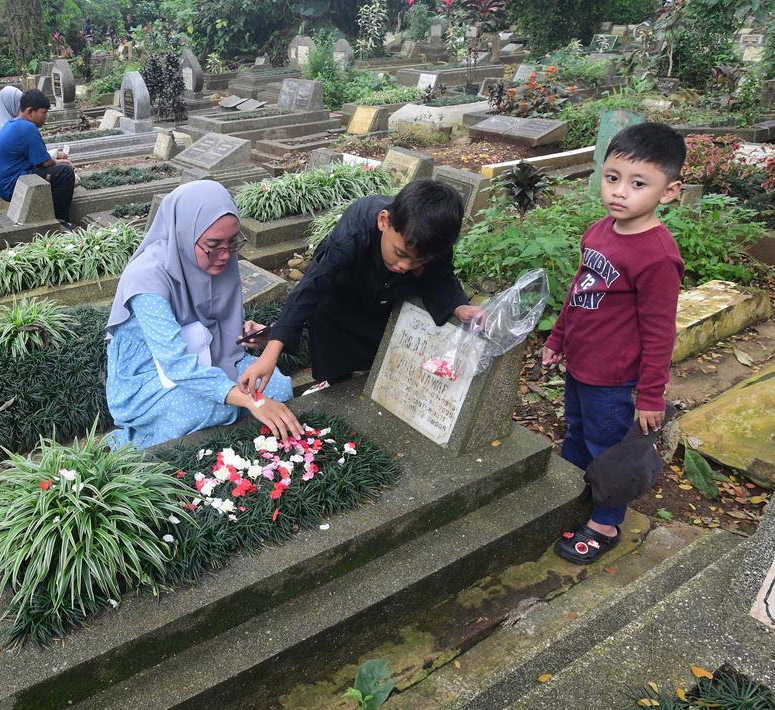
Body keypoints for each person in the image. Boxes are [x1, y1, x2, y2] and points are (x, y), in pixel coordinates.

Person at [542, 122, 686, 565]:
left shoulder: (658, 256)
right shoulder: (600, 231)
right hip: (582, 365)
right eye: (612, 178)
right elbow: (579, 292)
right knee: (579, 432)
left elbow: (661, 332)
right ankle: (571, 488)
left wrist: (649, 396)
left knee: (610, 448)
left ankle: (606, 521)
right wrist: (557, 338)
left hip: (615, 379)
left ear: (669, 191)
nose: (620, 192)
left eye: (638, 183)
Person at [105, 181, 303, 448]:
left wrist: (248, 335)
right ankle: (132, 442)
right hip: (150, 374)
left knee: (278, 388)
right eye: (213, 244)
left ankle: (227, 412)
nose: (224, 255)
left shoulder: (220, 257)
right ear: (185, 234)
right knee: (209, 409)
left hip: (212, 357)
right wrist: (251, 401)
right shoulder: (146, 277)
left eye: (233, 242)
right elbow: (174, 363)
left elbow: (213, 323)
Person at [239, 179, 482, 393]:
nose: (405, 265)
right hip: (344, 291)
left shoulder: (433, 239)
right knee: (330, 332)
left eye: (419, 260)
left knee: (379, 340)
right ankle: (334, 382)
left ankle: (370, 377)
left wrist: (460, 306)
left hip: (387, 298)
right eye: (399, 253)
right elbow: (315, 282)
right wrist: (271, 353)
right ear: (384, 221)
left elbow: (441, 277)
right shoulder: (356, 227)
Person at [0, 89, 78, 226]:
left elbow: (40, 160)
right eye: (44, 112)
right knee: (65, 173)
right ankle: (60, 222)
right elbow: (46, 162)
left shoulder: (13, 123)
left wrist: (57, 160)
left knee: (58, 169)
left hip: (3, 183)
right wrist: (62, 163)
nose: (46, 116)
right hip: (12, 185)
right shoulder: (27, 128)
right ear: (30, 112)